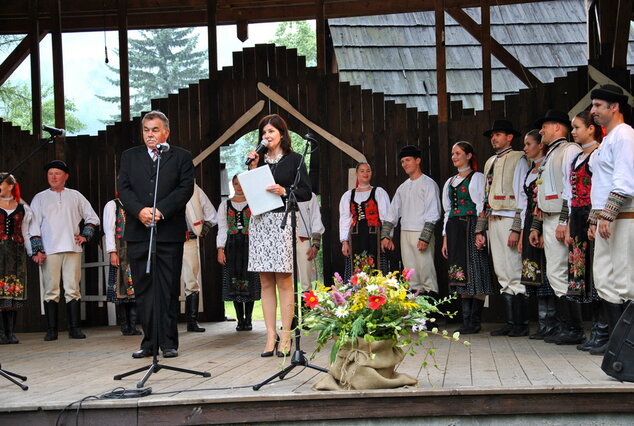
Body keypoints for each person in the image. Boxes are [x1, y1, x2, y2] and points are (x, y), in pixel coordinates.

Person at [118, 110, 194, 359]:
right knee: (144, 289)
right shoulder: (130, 157)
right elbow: (124, 188)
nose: (150, 135)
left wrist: (161, 210)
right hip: (139, 232)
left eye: (155, 130)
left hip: (168, 232)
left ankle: (169, 342)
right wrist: (140, 210)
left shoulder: (181, 157)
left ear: (166, 132)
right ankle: (149, 341)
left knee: (168, 288)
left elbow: (185, 189)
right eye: (146, 130)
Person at [246, 114, 311, 357]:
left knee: (284, 279)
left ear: (282, 134)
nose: (267, 136)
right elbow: (249, 190)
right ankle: (270, 335)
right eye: (264, 133)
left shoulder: (295, 160)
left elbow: (305, 192)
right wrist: (253, 169)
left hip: (282, 220)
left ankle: (286, 335)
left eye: (271, 132)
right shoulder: (258, 161)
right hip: (260, 221)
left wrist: (285, 191)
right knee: (265, 281)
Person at [529, 109, 583, 345]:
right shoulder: (551, 153)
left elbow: (570, 190)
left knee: (562, 272)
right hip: (549, 219)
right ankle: (565, 326)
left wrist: (564, 221)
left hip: (561, 221)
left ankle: (573, 328)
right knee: (554, 273)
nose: (541, 131)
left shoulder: (569, 149)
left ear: (558, 127)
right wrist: (537, 226)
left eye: (545, 126)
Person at [587, 84, 634, 355]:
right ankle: (617, 344)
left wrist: (608, 214)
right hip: (607, 219)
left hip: (624, 217)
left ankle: (628, 347)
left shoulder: (625, 136)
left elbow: (624, 179)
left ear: (614, 107)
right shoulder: (608, 140)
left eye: (598, 105)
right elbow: (601, 184)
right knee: (605, 279)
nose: (593, 111)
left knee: (625, 279)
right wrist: (596, 219)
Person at [29, 160, 99, 341]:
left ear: (66, 176)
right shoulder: (40, 197)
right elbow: (33, 225)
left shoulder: (75, 195)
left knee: (72, 289)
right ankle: (52, 330)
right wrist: (37, 250)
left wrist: (85, 235)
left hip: (72, 247)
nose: (53, 177)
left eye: (57, 173)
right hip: (49, 249)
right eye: (50, 173)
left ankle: (74, 329)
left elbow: (92, 217)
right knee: (51, 290)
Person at [475, 119, 529, 336]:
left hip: (508, 217)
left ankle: (520, 323)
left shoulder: (519, 159)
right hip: (493, 219)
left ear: (509, 137)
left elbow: (522, 196)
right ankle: (511, 322)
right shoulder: (489, 162)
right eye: (492, 135)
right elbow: (483, 199)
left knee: (514, 269)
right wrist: (480, 229)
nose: (494, 138)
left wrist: (517, 227)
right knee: (501, 272)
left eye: (498, 134)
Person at [440, 142, 492, 334]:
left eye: (458, 153)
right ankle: (466, 319)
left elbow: (482, 206)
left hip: (470, 226)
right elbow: (447, 211)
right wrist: (445, 238)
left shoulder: (477, 178)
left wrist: (480, 232)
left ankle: (475, 321)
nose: (454, 157)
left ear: (469, 155)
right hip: (454, 229)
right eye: (453, 154)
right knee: (459, 273)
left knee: (475, 271)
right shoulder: (449, 181)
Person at [564, 112, 605, 351]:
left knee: (596, 271)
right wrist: (569, 223)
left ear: (591, 129)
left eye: (577, 127)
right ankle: (595, 331)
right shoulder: (577, 157)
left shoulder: (598, 154)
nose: (573, 131)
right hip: (577, 217)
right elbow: (570, 195)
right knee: (581, 273)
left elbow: (599, 188)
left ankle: (603, 331)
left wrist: (595, 219)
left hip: (592, 214)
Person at [381, 145, 441, 296]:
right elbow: (392, 213)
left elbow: (433, 212)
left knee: (426, 273)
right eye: (402, 162)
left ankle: (430, 317)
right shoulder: (402, 187)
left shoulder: (428, 184)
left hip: (421, 233)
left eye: (408, 160)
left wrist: (425, 237)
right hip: (405, 233)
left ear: (418, 160)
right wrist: (386, 236)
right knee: (410, 276)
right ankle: (417, 317)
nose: (405, 164)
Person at [517, 130, 557, 340]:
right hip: (529, 223)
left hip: (543, 220)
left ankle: (553, 323)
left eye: (528, 143)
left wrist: (539, 227)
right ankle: (543, 322)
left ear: (540, 145)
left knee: (549, 271)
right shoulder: (529, 172)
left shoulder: (547, 168)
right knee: (536, 274)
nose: (525, 148)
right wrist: (523, 230)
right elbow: (523, 204)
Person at [217, 175, 260, 331]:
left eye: (241, 183)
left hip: (250, 245)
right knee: (234, 280)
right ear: (232, 185)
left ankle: (248, 319)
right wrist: (220, 249)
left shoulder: (254, 203)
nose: (238, 186)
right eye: (235, 183)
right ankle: (239, 319)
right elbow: (222, 227)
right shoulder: (225, 205)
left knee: (250, 280)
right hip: (232, 245)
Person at [339, 162, 391, 280]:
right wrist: (344, 242)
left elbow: (386, 216)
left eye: (368, 170)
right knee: (356, 265)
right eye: (362, 171)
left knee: (376, 266)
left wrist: (386, 237)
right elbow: (344, 219)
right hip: (355, 235)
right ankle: (358, 295)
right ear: (356, 174)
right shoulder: (348, 195)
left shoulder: (378, 192)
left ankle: (377, 293)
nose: (365, 173)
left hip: (374, 235)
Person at [0, 173, 32, 344]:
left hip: (16, 254)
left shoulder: (22, 208)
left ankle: (10, 332)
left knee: (12, 293)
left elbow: (25, 232)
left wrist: (32, 253)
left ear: (10, 186)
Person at [181, 183, 217, 333]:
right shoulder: (161, 185)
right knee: (166, 281)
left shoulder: (194, 189)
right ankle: (166, 322)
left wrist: (201, 231)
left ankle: (192, 321)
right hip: (166, 242)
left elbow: (211, 215)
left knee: (191, 281)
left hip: (188, 240)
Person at [103, 194, 141, 336]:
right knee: (120, 289)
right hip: (120, 249)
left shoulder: (137, 204)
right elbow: (109, 230)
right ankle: (124, 326)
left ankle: (133, 325)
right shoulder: (112, 205)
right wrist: (112, 251)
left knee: (134, 288)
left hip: (134, 248)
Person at [296, 192, 325, 292]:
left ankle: (306, 307)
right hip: (283, 239)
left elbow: (316, 218)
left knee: (306, 280)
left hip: (303, 237)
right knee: (284, 279)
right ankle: (288, 307)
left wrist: (316, 244)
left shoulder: (309, 195)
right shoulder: (280, 192)